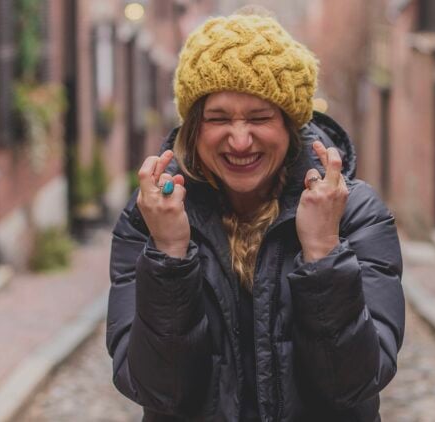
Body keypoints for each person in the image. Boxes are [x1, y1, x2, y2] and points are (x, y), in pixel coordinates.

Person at [106, 9, 405, 422]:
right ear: (194, 128)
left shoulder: (354, 214)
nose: (240, 139)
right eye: (219, 118)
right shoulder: (148, 218)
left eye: (260, 118)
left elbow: (353, 383)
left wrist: (323, 252)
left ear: (290, 126)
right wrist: (169, 255)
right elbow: (156, 388)